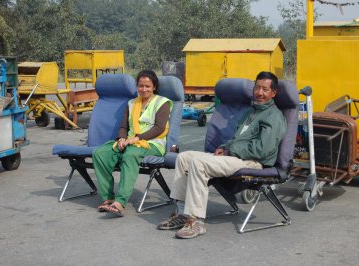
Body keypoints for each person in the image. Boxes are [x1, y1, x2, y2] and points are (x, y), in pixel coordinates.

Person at [157, 71, 287, 238]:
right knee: (184, 158)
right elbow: (238, 138)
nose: (259, 92)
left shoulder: (274, 116)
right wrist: (224, 146)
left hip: (253, 162)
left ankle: (196, 222)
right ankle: (183, 214)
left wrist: (229, 150)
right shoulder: (251, 112)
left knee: (198, 163)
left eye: (265, 89)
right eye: (257, 88)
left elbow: (262, 150)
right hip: (235, 157)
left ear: (273, 93)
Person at [93, 70, 173, 217]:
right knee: (100, 153)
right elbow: (123, 127)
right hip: (130, 142)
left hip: (152, 144)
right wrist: (122, 139)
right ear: (137, 86)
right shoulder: (131, 103)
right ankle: (108, 198)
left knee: (130, 155)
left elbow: (159, 127)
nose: (144, 89)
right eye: (141, 86)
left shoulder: (162, 103)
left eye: (148, 86)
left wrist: (137, 139)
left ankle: (120, 202)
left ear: (154, 87)